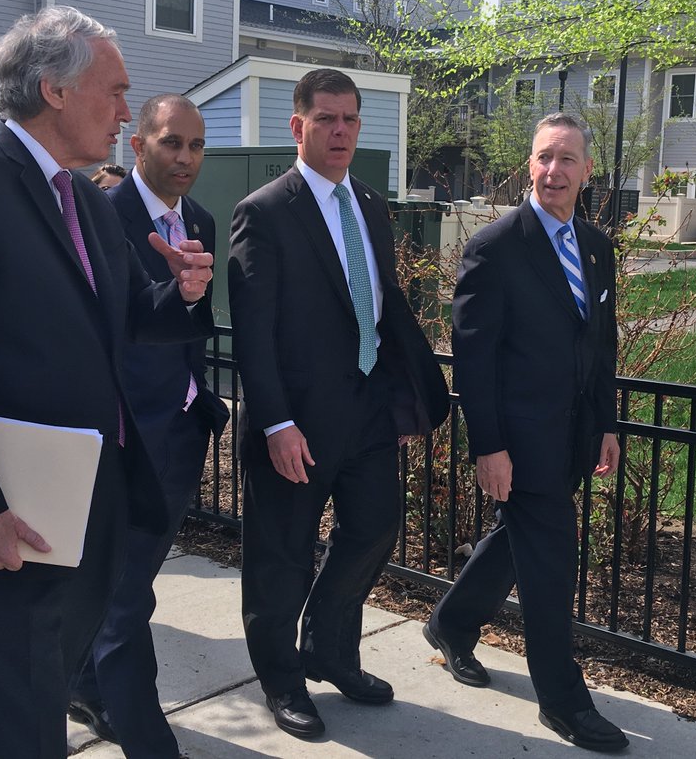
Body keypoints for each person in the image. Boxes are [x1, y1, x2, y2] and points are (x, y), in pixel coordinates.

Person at [0, 6, 215, 759]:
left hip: (71, 517)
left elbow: (127, 318)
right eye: (116, 91)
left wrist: (184, 294)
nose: (127, 111)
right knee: (4, 735)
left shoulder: (86, 201)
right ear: (55, 90)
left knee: (37, 723)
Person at [227, 68, 448, 739]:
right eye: (327, 119)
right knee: (282, 555)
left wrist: (398, 396)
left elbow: (378, 308)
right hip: (295, 421)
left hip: (368, 409)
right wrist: (276, 422)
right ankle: (282, 679)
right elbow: (253, 333)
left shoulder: (371, 205)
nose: (341, 130)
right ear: (298, 126)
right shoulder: (265, 212)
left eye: (351, 118)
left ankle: (329, 648)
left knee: (376, 525)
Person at [422, 113, 628, 752]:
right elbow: (474, 358)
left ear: (587, 170)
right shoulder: (496, 246)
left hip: (572, 438)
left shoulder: (595, 247)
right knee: (551, 567)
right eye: (543, 157)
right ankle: (563, 702)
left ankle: (452, 624)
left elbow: (600, 344)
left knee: (518, 541)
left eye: (566, 159)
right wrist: (488, 446)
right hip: (519, 440)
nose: (552, 170)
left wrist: (605, 424)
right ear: (529, 165)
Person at [68, 94, 227, 756]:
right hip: (123, 435)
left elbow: (189, 323)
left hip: (182, 428)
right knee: (128, 593)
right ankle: (143, 732)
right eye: (171, 142)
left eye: (196, 145)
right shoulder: (101, 217)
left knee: (128, 583)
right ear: (138, 144)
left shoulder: (202, 220)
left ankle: (84, 683)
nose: (185, 157)